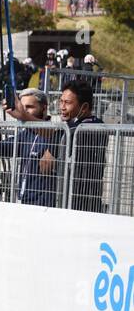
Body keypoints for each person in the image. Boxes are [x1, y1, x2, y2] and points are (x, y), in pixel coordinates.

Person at [60, 80, 104, 214]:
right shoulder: (78, 125)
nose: (62, 107)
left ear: (84, 107)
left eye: (67, 103)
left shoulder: (87, 126)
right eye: (61, 101)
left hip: (82, 195)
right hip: (74, 191)